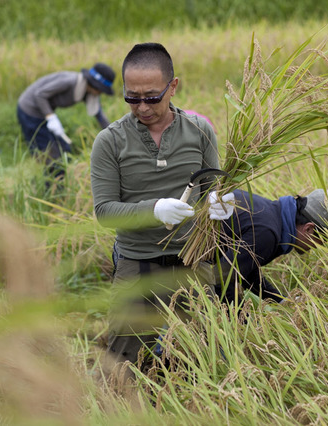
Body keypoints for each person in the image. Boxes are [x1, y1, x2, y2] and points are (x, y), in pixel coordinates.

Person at [90, 42, 226, 370]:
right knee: (123, 366)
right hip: (137, 265)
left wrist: (221, 204)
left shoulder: (199, 131)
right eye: (131, 98)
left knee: (206, 359)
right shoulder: (109, 141)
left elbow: (214, 188)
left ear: (173, 86)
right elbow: (105, 211)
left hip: (191, 264)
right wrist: (154, 209)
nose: (143, 107)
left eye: (152, 97)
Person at [213, 188, 328, 304]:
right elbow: (223, 277)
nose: (317, 247)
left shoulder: (272, 215)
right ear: (309, 229)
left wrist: (280, 300)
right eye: (321, 242)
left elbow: (246, 266)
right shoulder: (267, 233)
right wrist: (243, 324)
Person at [17, 62, 115, 183]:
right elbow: (40, 95)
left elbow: (99, 115)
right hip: (30, 111)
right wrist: (50, 117)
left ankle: (57, 184)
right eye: (101, 90)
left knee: (65, 150)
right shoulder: (69, 82)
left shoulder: (88, 92)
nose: (100, 94)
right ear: (94, 85)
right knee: (51, 156)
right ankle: (50, 190)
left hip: (44, 114)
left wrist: (113, 135)